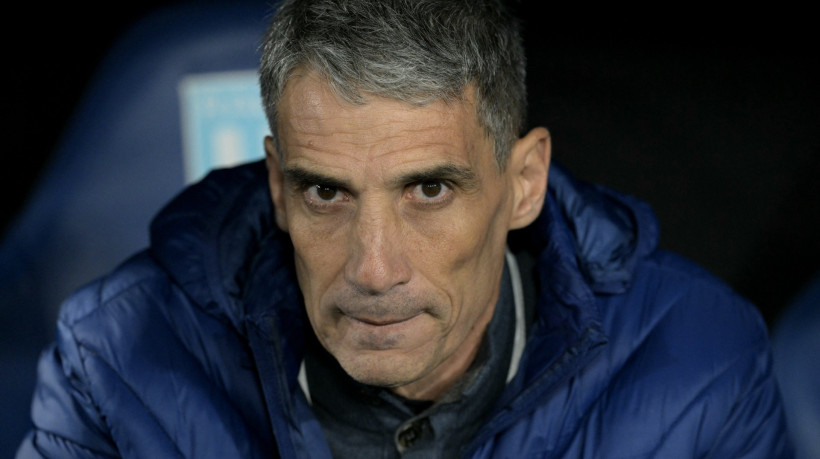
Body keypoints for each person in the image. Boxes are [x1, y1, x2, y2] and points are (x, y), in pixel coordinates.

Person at [17, 0, 791, 457]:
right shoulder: (116, 357)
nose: (374, 268)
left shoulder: (701, 361)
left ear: (524, 183)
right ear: (278, 187)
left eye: (428, 189)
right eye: (327, 192)